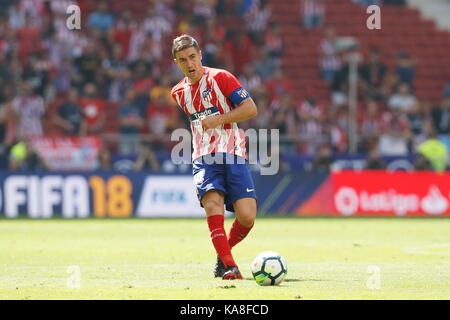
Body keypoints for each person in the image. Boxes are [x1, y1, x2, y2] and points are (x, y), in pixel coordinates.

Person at [170, 34, 258, 280]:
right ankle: (231, 267)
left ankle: (223, 253)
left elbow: (251, 108)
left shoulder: (221, 77)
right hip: (204, 157)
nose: (189, 64)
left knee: (247, 216)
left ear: (200, 56)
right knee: (212, 204)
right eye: (182, 60)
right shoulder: (178, 93)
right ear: (176, 62)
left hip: (233, 153)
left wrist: (217, 119)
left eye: (192, 57)